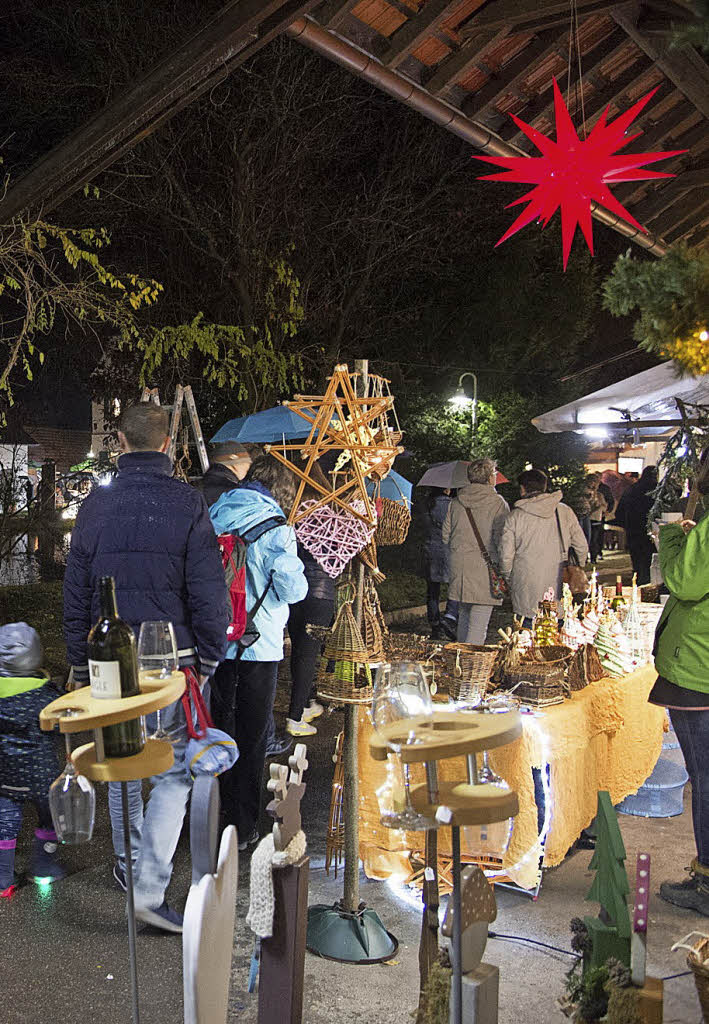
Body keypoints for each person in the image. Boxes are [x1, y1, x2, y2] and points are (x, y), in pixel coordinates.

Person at [64, 403, 229, 933]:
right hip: (169, 661)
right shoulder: (186, 502)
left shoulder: (95, 505)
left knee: (121, 767)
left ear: (119, 439)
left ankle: (126, 865)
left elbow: (76, 592)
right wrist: (207, 656)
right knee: (177, 771)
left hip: (108, 662)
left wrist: (76, 661)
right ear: (167, 442)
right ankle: (149, 886)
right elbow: (208, 591)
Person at [209, 455, 307, 851]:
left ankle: (210, 816)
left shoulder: (215, 513)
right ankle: (244, 824)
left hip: (217, 643)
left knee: (217, 731)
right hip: (258, 646)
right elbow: (293, 590)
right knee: (251, 739)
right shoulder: (277, 529)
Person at [650, 450, 709, 914]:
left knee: (705, 779)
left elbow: (684, 583)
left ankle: (707, 880)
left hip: (698, 671)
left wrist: (670, 538)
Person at [0, 623, 66, 897]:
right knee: (50, 819)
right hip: (42, 775)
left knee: (5, 823)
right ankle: (42, 869)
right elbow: (62, 723)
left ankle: (3, 880)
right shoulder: (45, 694)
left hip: (4, 775)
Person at [498, 468, 588, 624]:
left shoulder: (515, 516)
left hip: (525, 581)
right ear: (544, 486)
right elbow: (581, 545)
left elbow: (506, 555)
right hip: (559, 579)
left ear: (522, 489)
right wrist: (579, 565)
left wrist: (508, 576)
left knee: (527, 630)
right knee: (559, 630)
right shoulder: (564, 511)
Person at [442, 459, 508, 645]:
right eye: (494, 473)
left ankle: (459, 660)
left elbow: (446, 535)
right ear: (489, 478)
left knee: (464, 615)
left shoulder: (456, 502)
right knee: (479, 622)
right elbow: (502, 539)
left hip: (460, 566)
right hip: (485, 568)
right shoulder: (498, 503)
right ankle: (470, 665)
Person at [423, 488, 458, 640]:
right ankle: (449, 617)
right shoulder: (453, 505)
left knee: (432, 591)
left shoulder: (427, 505)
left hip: (431, 550)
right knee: (455, 587)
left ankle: (435, 624)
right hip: (450, 551)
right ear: (447, 489)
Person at [614, 465, 658, 585]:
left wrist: (626, 525)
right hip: (652, 528)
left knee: (637, 557)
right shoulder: (657, 490)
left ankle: (639, 580)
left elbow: (620, 511)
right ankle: (651, 582)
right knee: (651, 557)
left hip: (634, 528)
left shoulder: (632, 489)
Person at [199, 441, 253, 507]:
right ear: (234, 459)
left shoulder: (201, 484)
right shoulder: (232, 492)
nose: (249, 466)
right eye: (247, 461)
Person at [586, 473, 608, 564]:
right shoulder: (586, 493)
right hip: (588, 518)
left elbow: (604, 506)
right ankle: (586, 558)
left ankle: (593, 558)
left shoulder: (599, 495)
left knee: (594, 539)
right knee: (588, 538)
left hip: (596, 518)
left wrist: (601, 507)